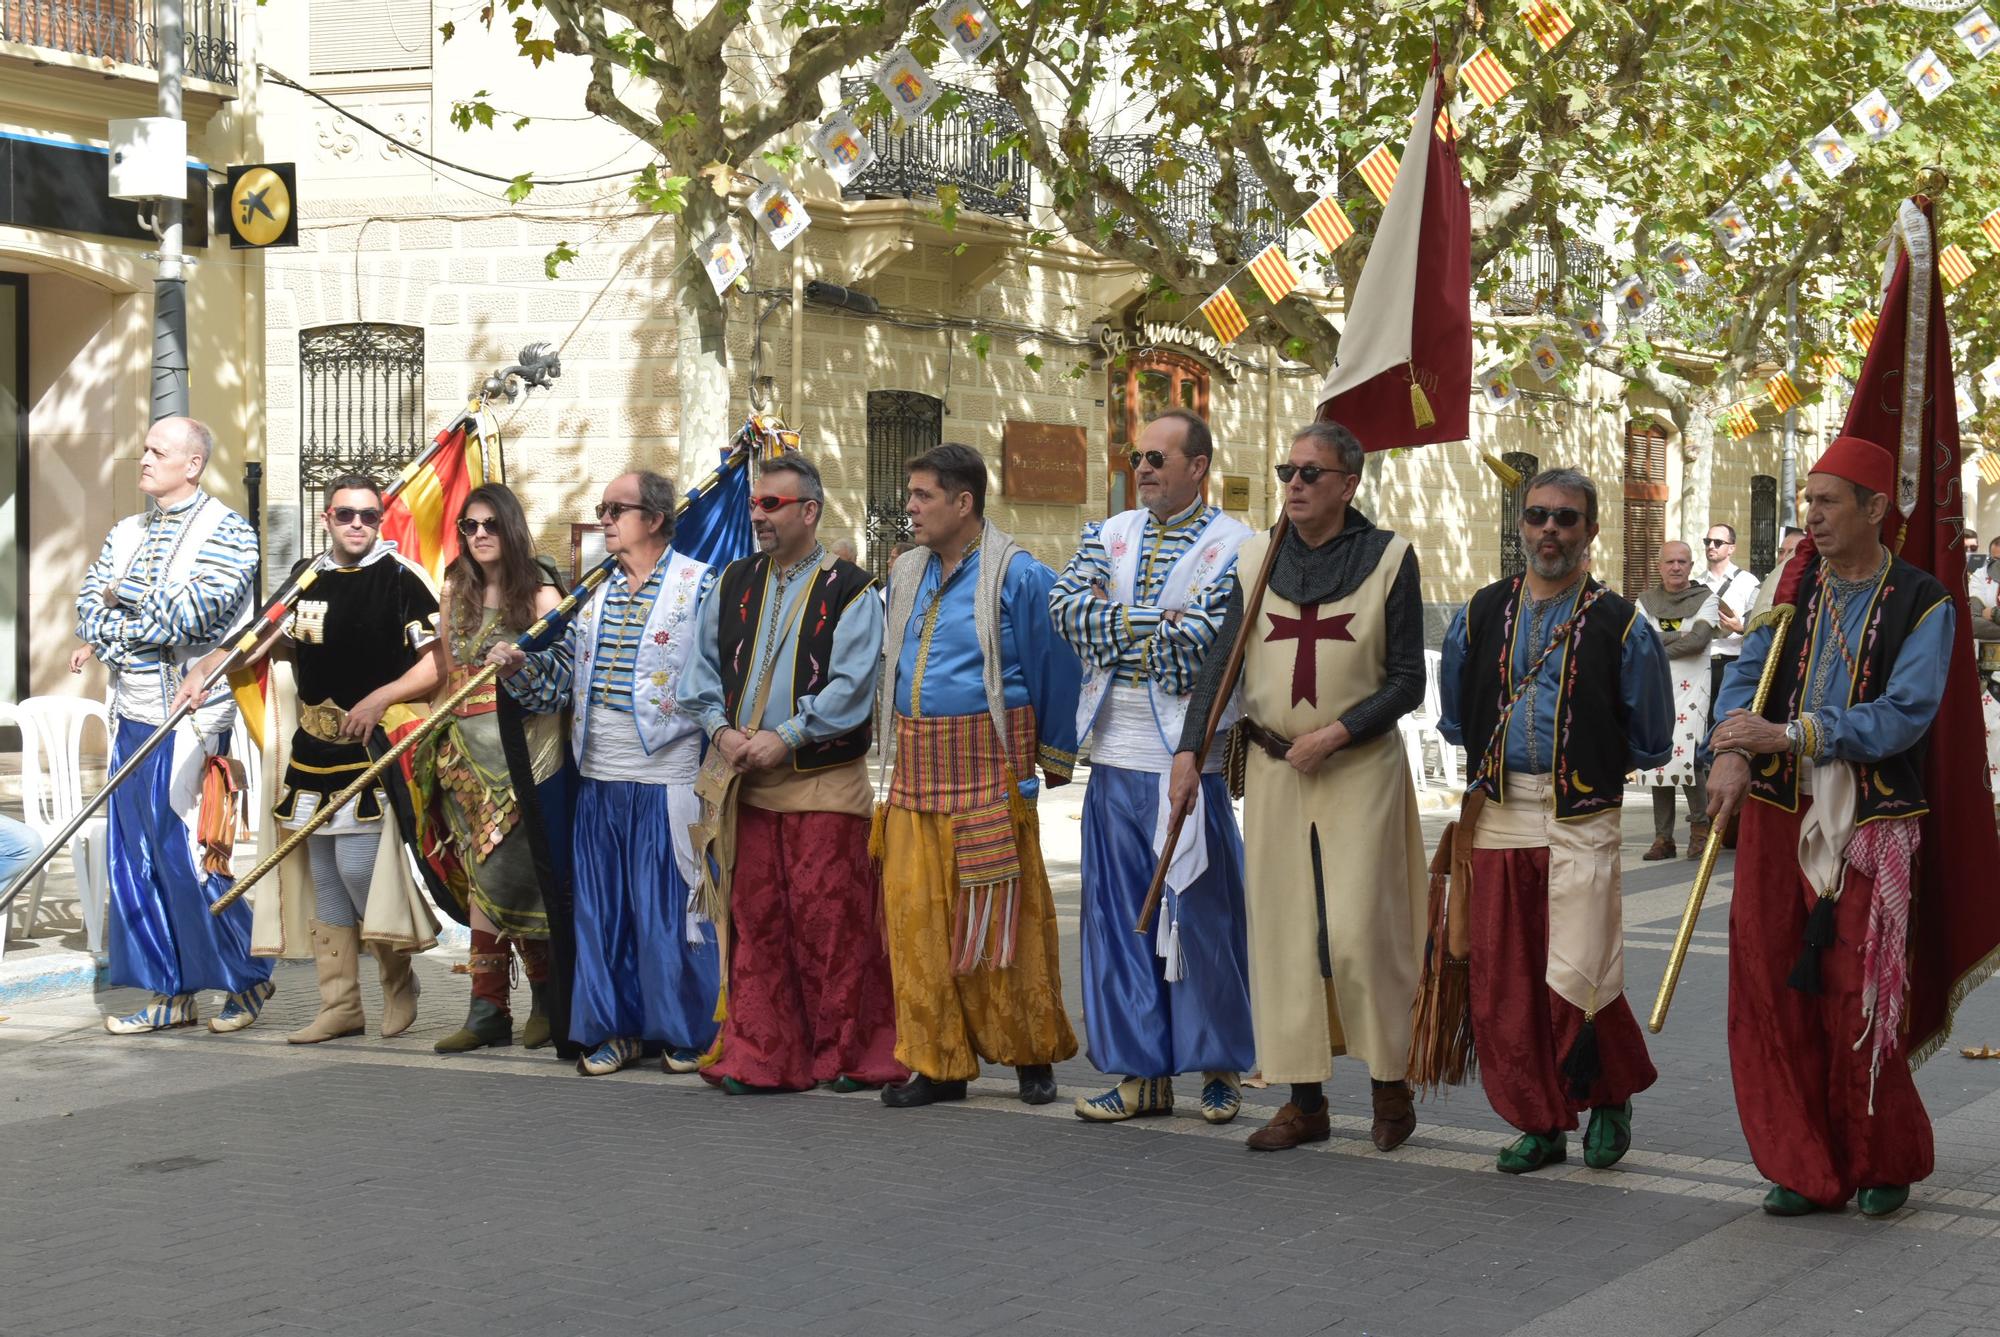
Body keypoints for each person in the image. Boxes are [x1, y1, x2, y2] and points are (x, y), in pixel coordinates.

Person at [1706, 437, 1970, 1217]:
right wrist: (1728, 746)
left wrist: (1788, 736)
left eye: (1827, 502)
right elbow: (1744, 682)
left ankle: (1880, 1156)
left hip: (1870, 814)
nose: (1811, 517)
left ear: (1877, 510)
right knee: (1766, 984)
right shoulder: (1789, 590)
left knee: (1861, 992)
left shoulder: (1926, 602)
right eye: (1807, 502)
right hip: (1776, 810)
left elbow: (1905, 715)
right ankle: (1803, 1163)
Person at [1170, 421, 1429, 1152]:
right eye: (1289, 469)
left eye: (1312, 472)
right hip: (1279, 769)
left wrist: (1339, 732)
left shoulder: (1389, 558)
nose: (1295, 482)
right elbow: (1222, 663)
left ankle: (1390, 1087)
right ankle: (1304, 1099)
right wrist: (1190, 751)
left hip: (1360, 769)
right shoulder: (1258, 557)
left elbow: (1408, 678)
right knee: (1285, 932)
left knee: (1357, 932)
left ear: (1348, 485)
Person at [1439, 468, 1674, 1174]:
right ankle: (1538, 1118)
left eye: (1566, 519)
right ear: (1521, 526)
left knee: (1581, 972)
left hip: (1583, 812)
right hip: (1500, 809)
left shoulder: (1625, 622)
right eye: (1538, 515)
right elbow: (1456, 717)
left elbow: (1651, 737)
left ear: (1590, 531)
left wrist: (1589, 766)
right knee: (1506, 976)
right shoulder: (1479, 613)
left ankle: (1608, 1096)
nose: (1550, 529)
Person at [182, 474, 445, 1044]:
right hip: (310, 752)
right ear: (326, 517)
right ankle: (340, 1004)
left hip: (369, 751)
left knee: (358, 871)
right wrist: (211, 664)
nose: (357, 524)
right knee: (322, 874)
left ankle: (399, 981)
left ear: (381, 520)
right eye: (346, 514)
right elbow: (268, 639)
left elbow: (435, 665)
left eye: (369, 515)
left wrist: (380, 699)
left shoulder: (403, 580)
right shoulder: (305, 578)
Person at [1051, 408, 1254, 1125]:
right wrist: (1152, 624)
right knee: (1117, 922)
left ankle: (1222, 1064)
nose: (1143, 468)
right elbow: (1066, 608)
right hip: (1111, 754)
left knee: (1201, 913)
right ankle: (1141, 1072)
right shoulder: (1109, 532)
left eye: (1159, 458)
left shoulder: (1236, 544)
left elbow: (1203, 641)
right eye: (1139, 456)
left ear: (1198, 467)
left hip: (1185, 759)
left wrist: (1118, 625)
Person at [680, 453, 903, 1093]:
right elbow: (698, 675)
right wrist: (722, 733)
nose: (758, 515)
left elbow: (852, 688)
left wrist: (787, 737)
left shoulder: (853, 589)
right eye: (755, 504)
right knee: (759, 925)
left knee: (832, 925)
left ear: (809, 510)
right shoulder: (732, 581)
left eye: (771, 505)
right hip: (746, 785)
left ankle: (845, 1054)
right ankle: (764, 1055)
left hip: (822, 786)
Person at [876, 444, 1083, 1108]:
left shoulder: (1021, 576)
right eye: (910, 494)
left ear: (963, 503)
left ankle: (1030, 1056)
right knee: (916, 921)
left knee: (1008, 920)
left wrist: (1047, 760)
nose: (909, 506)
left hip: (990, 770)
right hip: (915, 768)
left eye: (923, 495)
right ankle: (937, 1063)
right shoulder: (906, 570)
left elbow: (1057, 667)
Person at [77, 417, 268, 1035]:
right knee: (132, 858)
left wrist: (120, 599)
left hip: (190, 716)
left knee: (187, 853)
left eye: (158, 450)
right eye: (143, 448)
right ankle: (169, 990)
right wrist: (120, 610)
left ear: (193, 464)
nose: (144, 458)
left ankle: (247, 973)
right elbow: (87, 611)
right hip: (131, 711)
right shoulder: (125, 530)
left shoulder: (231, 533)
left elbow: (192, 616)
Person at [419, 485, 573, 1055]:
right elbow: (446, 672)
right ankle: (488, 1007)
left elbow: (562, 667)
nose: (478, 534)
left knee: (523, 874)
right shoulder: (454, 588)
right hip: (461, 755)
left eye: (488, 524)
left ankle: (547, 998)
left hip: (519, 755)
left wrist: (520, 666)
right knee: (479, 876)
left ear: (509, 527)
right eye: (467, 526)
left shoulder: (540, 589)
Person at [1635, 540, 1718, 861]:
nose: (1676, 567)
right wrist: (1676, 638)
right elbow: (1640, 638)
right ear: (1659, 566)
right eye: (1670, 562)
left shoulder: (1706, 600)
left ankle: (1700, 830)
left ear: (1691, 566)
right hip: (1656, 688)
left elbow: (1698, 641)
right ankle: (1663, 838)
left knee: (1689, 758)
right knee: (1659, 759)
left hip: (1693, 688)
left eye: (1682, 562)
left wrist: (1659, 645)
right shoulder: (1645, 601)